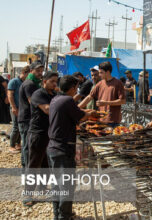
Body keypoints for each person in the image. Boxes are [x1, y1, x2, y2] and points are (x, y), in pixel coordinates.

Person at [47, 75, 97, 220]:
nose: (77, 90)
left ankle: (58, 214)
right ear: (72, 88)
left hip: (52, 147)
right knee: (67, 185)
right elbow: (81, 116)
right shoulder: (68, 100)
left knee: (57, 184)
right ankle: (65, 216)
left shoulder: (56, 98)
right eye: (76, 87)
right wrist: (91, 113)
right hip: (63, 149)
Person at [24, 71, 58, 207]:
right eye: (52, 81)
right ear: (44, 81)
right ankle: (27, 194)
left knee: (46, 164)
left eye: (56, 81)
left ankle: (42, 188)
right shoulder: (38, 94)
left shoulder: (54, 95)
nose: (55, 84)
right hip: (37, 133)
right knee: (33, 165)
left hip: (50, 134)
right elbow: (47, 109)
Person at [79, 61, 126, 127]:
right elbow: (89, 97)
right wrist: (77, 107)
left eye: (101, 73)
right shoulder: (100, 84)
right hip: (100, 120)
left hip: (112, 121)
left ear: (108, 72)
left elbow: (123, 101)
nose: (99, 75)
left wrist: (106, 103)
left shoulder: (118, 83)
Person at [18, 61, 44, 168]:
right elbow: (32, 102)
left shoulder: (35, 83)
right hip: (26, 118)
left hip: (29, 118)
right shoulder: (30, 84)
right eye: (37, 71)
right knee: (27, 145)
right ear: (31, 71)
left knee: (27, 144)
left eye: (41, 71)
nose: (40, 73)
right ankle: (26, 167)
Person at [7, 66, 29, 153]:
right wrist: (13, 107)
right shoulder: (14, 81)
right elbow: (10, 95)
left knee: (21, 127)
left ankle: (18, 144)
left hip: (22, 108)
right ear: (24, 73)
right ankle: (11, 145)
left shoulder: (25, 82)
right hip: (15, 107)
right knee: (16, 127)